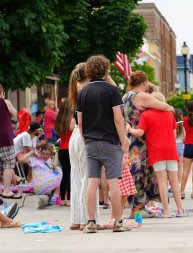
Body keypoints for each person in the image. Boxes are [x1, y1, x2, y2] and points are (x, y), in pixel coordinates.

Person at [77, 55, 130, 233]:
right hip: (110, 141)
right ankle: (118, 222)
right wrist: (123, 141)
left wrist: (86, 140)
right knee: (113, 181)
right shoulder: (111, 91)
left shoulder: (82, 92)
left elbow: (80, 122)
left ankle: (90, 222)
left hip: (91, 141)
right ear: (106, 70)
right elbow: (118, 118)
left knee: (92, 181)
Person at [122, 70, 174, 219]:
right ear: (144, 83)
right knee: (141, 173)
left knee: (133, 172)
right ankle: (137, 209)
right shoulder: (141, 96)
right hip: (141, 139)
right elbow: (165, 106)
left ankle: (136, 207)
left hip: (130, 138)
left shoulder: (125, 96)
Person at [127, 92, 187, 218]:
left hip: (156, 150)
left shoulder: (146, 115)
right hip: (171, 149)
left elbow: (139, 132)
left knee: (162, 180)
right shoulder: (170, 115)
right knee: (174, 180)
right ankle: (180, 210)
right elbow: (174, 134)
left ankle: (166, 211)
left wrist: (129, 129)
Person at [68, 62, 101, 231]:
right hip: (85, 134)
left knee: (77, 178)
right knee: (88, 179)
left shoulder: (76, 88)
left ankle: (76, 219)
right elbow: (114, 88)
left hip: (74, 136)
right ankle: (87, 219)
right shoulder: (89, 87)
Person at [54, 99, 75, 206]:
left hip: (62, 149)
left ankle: (62, 199)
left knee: (65, 174)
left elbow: (58, 133)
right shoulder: (72, 120)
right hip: (70, 149)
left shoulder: (59, 120)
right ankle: (70, 199)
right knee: (71, 174)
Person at [175, 109, 185, 182]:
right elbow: (185, 137)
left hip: (173, 146)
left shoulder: (172, 125)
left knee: (173, 167)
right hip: (180, 146)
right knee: (180, 166)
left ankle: (173, 183)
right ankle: (179, 183)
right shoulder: (182, 127)